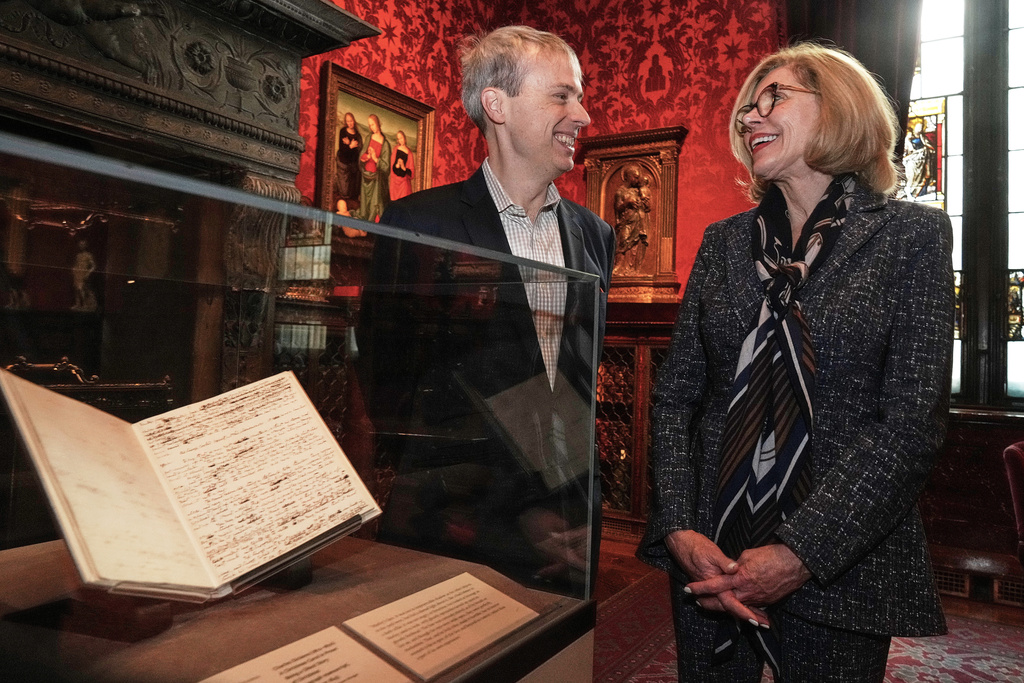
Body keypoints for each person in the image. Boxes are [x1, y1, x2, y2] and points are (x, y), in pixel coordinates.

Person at [637, 43, 954, 682]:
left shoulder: (910, 236)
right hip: (711, 553)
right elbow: (676, 398)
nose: (751, 117)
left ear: (838, 109)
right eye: (748, 108)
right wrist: (678, 529)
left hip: (841, 557)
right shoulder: (724, 243)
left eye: (774, 97)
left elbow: (911, 422)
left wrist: (799, 552)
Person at [361, 25, 615, 596]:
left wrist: (572, 505)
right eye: (562, 95)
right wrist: (514, 506)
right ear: (496, 104)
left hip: (568, 522)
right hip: (458, 521)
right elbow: (391, 385)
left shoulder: (596, 236)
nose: (583, 115)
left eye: (579, 95)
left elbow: (574, 382)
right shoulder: (420, 226)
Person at [357, 113, 390, 222]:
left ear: (378, 124)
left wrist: (376, 159)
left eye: (373, 124)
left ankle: (370, 223)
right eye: (370, 125)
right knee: (364, 202)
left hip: (376, 179)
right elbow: (362, 154)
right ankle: (363, 217)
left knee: (374, 204)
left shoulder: (385, 144)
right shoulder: (368, 138)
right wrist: (365, 157)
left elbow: (386, 167)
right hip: (366, 173)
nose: (371, 127)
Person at [335, 111, 363, 211]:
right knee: (344, 188)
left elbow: (359, 150)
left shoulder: (358, 135)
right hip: (343, 162)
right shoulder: (343, 131)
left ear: (353, 121)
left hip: (353, 164)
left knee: (352, 187)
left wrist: (349, 145)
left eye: (351, 121)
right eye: (347, 121)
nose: (349, 123)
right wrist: (350, 146)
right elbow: (342, 149)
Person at [389, 129, 415, 200]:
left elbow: (411, 173)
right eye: (398, 139)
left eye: (401, 138)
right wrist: (397, 165)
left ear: (404, 138)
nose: (400, 140)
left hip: (404, 184)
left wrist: (403, 167)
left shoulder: (409, 153)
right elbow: (392, 165)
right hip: (395, 182)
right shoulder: (395, 149)